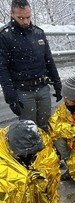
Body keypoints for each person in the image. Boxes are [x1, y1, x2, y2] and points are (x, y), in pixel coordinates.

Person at [0, 120, 60, 203]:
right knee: (18, 188)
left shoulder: (39, 140)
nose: (29, 156)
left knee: (34, 181)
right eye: (25, 153)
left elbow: (51, 169)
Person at [0, 0, 62, 131]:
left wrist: (57, 84)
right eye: (20, 18)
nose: (25, 21)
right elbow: (2, 68)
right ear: (12, 14)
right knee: (29, 130)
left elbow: (48, 60)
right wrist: (11, 97)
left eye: (28, 17)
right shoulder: (5, 36)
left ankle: (47, 151)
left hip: (43, 87)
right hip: (22, 91)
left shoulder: (38, 33)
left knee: (46, 127)